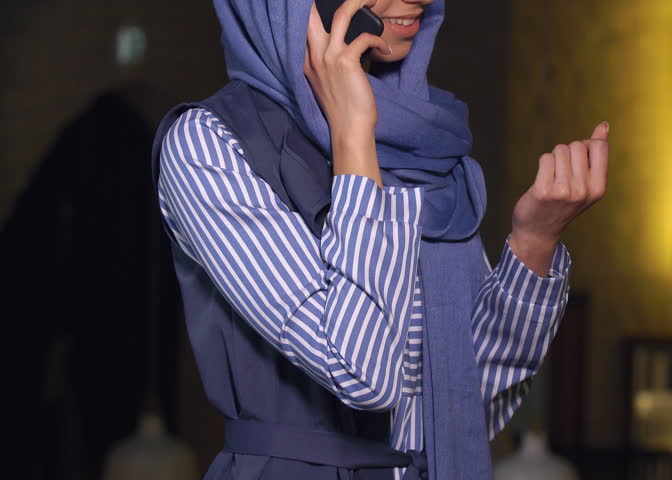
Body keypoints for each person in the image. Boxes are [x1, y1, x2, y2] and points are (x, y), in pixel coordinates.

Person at [151, 0, 609, 478]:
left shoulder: (427, 150)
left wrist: (535, 241)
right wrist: (354, 138)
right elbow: (363, 373)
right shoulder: (208, 144)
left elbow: (463, 412)